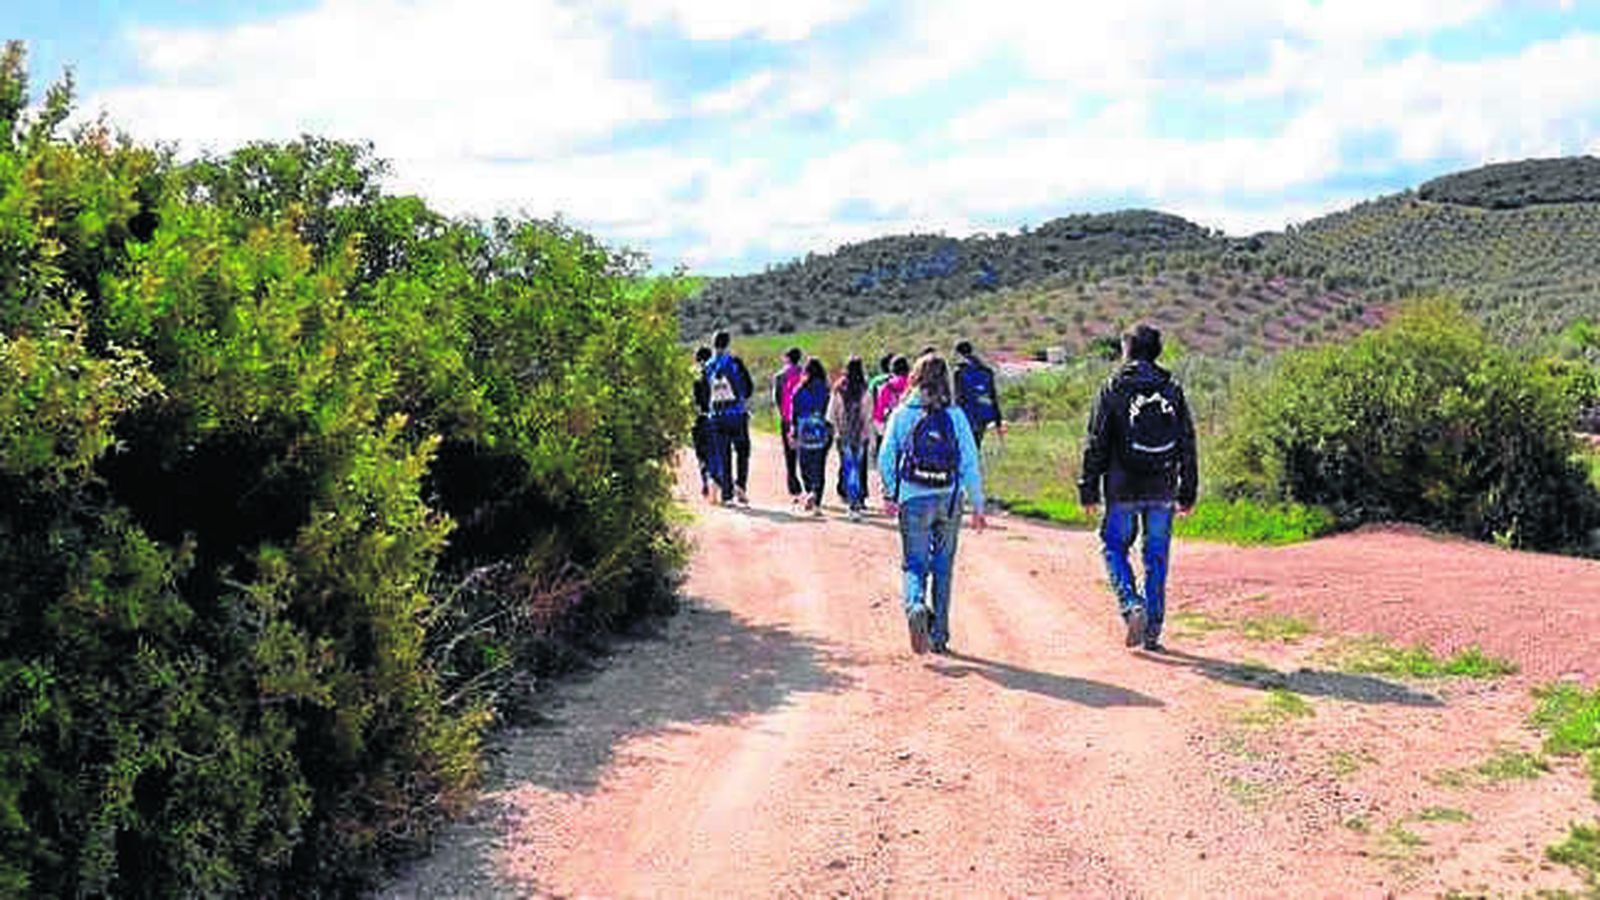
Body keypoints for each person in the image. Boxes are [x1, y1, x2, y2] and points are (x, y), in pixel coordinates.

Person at [1077, 324, 1198, 653]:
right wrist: (1188, 491)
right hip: (1162, 487)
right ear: (1156, 351)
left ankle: (1132, 605)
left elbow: (1095, 443)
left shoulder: (1113, 387)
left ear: (1126, 350)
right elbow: (1187, 442)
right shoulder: (1172, 388)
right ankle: (1153, 631)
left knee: (1113, 547)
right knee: (1156, 557)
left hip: (1122, 488)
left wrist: (1087, 489)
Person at [879, 354, 986, 655]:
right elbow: (969, 463)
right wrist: (977, 505)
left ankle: (915, 606)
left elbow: (886, 457)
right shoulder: (955, 415)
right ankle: (939, 636)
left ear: (914, 377)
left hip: (913, 499)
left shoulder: (901, 414)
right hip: (948, 498)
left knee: (914, 564)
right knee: (943, 567)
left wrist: (890, 493)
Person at [702, 330, 755, 506]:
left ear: (713, 343)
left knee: (723, 454)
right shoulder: (734, 362)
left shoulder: (708, 365)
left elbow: (704, 393)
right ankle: (740, 485)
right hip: (737, 413)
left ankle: (727, 495)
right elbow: (748, 387)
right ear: (728, 343)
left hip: (717, 416)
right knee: (742, 451)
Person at [828, 356, 875, 521]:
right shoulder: (864, 389)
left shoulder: (839, 388)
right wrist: (870, 436)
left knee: (848, 467)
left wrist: (835, 431)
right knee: (859, 467)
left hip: (843, 435)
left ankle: (850, 501)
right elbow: (868, 415)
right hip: (860, 436)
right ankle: (858, 500)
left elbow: (831, 414)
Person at [790, 357, 833, 515]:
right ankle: (816, 499)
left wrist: (793, 430)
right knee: (819, 465)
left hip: (804, 430)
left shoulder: (799, 389)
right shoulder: (825, 389)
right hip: (821, 429)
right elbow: (829, 412)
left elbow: (794, 413)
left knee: (804, 464)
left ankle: (809, 490)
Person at [953, 339, 1006, 448]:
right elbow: (993, 395)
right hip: (984, 412)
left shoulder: (959, 371)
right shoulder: (986, 370)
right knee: (976, 442)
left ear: (958, 353)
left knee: (967, 445)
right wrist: (998, 420)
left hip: (968, 413)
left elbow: (958, 396)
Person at [772, 347, 805, 505]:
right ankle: (809, 486)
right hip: (805, 418)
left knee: (789, 455)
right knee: (805, 452)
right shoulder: (806, 374)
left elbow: (777, 398)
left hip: (787, 418)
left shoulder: (780, 376)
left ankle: (794, 488)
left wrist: (784, 413)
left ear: (786, 358)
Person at [691, 346, 714, 501]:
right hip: (713, 416)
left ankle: (705, 480)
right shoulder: (714, 372)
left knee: (701, 453)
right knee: (714, 450)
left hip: (697, 418)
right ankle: (714, 480)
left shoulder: (693, 375)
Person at [873, 355, 911, 441]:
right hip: (911, 430)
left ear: (892, 370)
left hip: (891, 430)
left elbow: (879, 415)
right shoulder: (914, 386)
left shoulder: (886, 387)